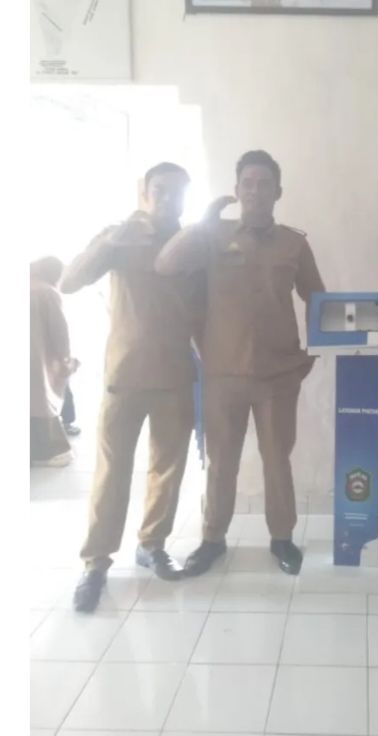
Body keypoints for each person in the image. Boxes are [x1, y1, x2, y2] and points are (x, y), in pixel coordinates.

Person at [155, 150, 325, 577]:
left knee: (277, 460)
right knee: (221, 461)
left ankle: (282, 538)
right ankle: (212, 539)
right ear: (236, 190)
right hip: (222, 374)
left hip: (277, 376)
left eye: (264, 183)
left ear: (278, 192)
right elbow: (165, 264)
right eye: (247, 183)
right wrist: (202, 224)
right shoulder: (213, 236)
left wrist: (312, 354)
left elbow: (319, 300)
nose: (255, 191)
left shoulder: (294, 244)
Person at [61, 162, 202, 613]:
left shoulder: (191, 245)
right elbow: (68, 281)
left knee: (168, 467)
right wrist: (110, 242)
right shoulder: (119, 236)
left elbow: (204, 310)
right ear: (145, 191)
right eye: (160, 190)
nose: (168, 200)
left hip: (176, 376)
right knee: (112, 471)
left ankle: (152, 544)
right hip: (124, 377)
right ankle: (95, 562)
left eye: (177, 192)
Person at [30, 256, 78, 467]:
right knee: (41, 402)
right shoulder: (47, 292)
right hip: (36, 359)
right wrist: (65, 359)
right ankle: (47, 452)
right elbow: (59, 332)